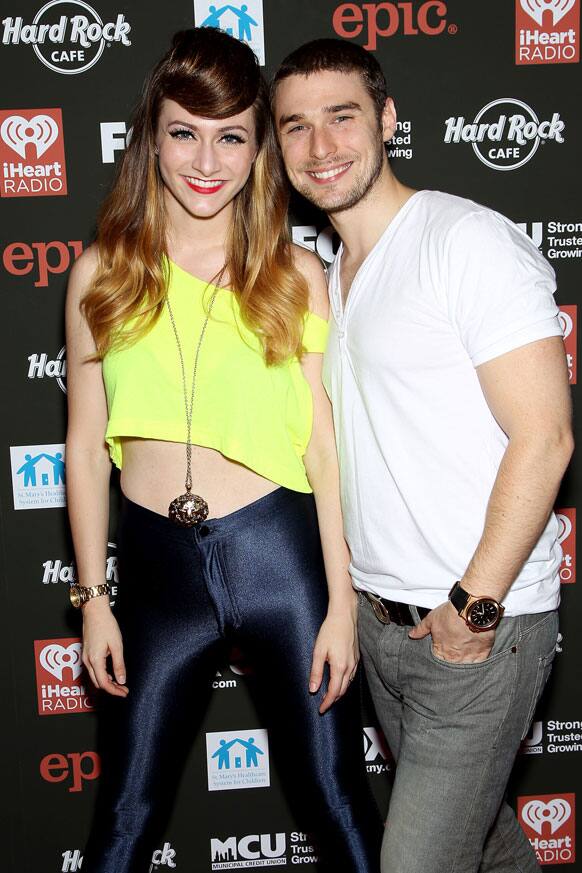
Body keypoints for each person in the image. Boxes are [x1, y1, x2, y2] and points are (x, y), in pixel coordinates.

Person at [65, 28, 382, 873]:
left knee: (336, 800)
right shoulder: (100, 272)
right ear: (152, 138)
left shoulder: (293, 273)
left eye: (232, 136)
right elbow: (86, 449)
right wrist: (95, 598)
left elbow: (322, 447)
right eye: (184, 133)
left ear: (257, 151)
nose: (207, 160)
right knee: (124, 819)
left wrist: (341, 608)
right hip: (156, 568)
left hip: (279, 558)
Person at [271, 39, 573, 873]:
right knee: (486, 839)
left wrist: (472, 611)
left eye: (343, 118)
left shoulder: (465, 241)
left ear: (389, 121)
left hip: (477, 627)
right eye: (296, 128)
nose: (321, 147)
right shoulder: (330, 277)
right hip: (385, 629)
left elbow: (545, 438)